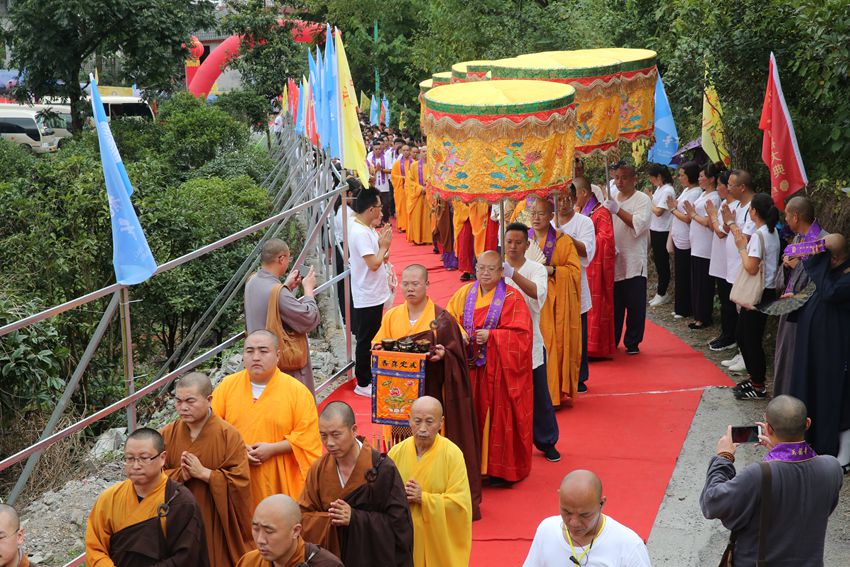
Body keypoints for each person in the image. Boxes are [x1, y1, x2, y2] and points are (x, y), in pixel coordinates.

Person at [371, 264, 482, 519]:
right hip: (398, 398)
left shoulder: (440, 319)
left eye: (415, 284)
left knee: (428, 439)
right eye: (405, 284)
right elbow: (377, 345)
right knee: (400, 444)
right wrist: (378, 350)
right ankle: (399, 492)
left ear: (427, 285)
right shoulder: (392, 316)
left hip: (430, 393)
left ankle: (434, 492)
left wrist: (445, 356)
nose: (409, 288)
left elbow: (457, 352)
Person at [700, 395, 843, 565]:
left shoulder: (759, 474)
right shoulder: (832, 468)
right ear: (807, 423)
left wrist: (724, 457)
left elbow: (712, 503)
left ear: (768, 428)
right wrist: (781, 452)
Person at [446, 250, 534, 485]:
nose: (485, 273)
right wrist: (460, 333)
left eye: (491, 269)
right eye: (481, 268)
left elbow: (522, 337)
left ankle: (500, 470)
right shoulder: (465, 293)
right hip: (471, 370)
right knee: (471, 417)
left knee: (499, 418)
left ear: (501, 271)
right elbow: (448, 318)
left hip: (499, 373)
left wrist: (493, 336)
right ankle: (473, 466)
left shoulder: (513, 298)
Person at [212, 330, 322, 508]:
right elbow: (212, 427)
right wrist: (238, 448)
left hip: (278, 479)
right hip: (236, 475)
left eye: (263, 351)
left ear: (277, 356)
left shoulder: (297, 392)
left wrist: (273, 449)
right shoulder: (227, 386)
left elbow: (308, 437)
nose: (256, 357)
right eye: (250, 351)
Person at [299, 402, 414, 567]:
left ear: (354, 430)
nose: (329, 443)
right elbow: (303, 517)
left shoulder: (381, 468)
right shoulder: (318, 469)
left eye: (336, 435)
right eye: (323, 435)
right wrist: (329, 520)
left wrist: (355, 518)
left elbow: (400, 526)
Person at [160, 372, 254, 566]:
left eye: (190, 401)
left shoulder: (229, 436)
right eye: (178, 401)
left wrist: (206, 474)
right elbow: (152, 476)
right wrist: (180, 474)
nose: (183, 407)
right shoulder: (167, 434)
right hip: (177, 519)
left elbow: (241, 483)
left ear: (209, 400)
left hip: (215, 520)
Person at [85, 428, 210, 566]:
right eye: (130, 458)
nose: (136, 466)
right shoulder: (109, 498)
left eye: (144, 458)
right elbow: (95, 548)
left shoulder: (181, 502)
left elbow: (187, 558)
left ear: (162, 458)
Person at [388, 397, 473, 567]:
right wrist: (399, 497)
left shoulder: (452, 455)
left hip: (437, 544)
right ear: (409, 420)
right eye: (417, 421)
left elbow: (460, 506)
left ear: (441, 423)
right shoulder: (396, 453)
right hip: (404, 539)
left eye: (429, 422)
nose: (422, 429)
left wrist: (424, 498)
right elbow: (382, 496)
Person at [791, 233, 850, 469]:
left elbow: (829, 293)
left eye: (825, 257)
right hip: (815, 348)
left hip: (834, 350)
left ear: (834, 258)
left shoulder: (845, 277)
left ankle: (834, 449)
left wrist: (815, 261)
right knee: (809, 389)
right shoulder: (830, 272)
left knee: (831, 396)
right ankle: (808, 441)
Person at [504, 223, 560, 462]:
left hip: (530, 341)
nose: (513, 247)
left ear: (527, 245)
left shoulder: (536, 269)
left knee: (539, 395)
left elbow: (538, 294)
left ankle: (547, 441)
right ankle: (508, 444)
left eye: (518, 242)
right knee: (505, 396)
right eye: (509, 242)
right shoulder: (496, 267)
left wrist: (512, 275)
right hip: (503, 343)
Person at [523, 470, 651, 566]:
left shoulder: (629, 545)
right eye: (567, 512)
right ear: (559, 497)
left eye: (584, 515)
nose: (574, 523)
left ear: (601, 503)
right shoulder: (547, 530)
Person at [244, 239, 320, 395]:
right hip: (282, 366)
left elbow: (271, 305)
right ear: (281, 259)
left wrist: (285, 287)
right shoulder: (278, 293)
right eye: (288, 258)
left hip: (259, 361)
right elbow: (309, 319)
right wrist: (308, 290)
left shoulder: (252, 281)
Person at [528, 197, 582, 405]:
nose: (536, 218)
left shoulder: (562, 240)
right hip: (530, 298)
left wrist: (550, 270)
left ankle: (552, 395)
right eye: (533, 213)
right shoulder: (525, 239)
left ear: (551, 216)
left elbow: (574, 271)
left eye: (541, 214)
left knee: (551, 343)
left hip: (554, 303)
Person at [772, 196, 827, 395]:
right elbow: (782, 279)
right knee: (785, 357)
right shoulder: (797, 239)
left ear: (796, 216)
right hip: (790, 308)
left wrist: (800, 266)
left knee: (801, 361)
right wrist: (788, 267)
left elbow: (824, 283)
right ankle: (782, 401)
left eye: (787, 215)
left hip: (808, 313)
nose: (785, 219)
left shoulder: (823, 242)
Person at [729, 193, 780, 400]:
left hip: (759, 293)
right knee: (744, 335)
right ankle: (754, 379)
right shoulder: (772, 232)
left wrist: (741, 247)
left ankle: (758, 386)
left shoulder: (760, 235)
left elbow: (751, 267)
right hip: (766, 290)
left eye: (750, 209)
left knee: (750, 339)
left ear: (754, 212)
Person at [602, 164, 652, 355]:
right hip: (614, 258)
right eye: (617, 178)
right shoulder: (612, 198)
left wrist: (617, 210)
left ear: (634, 179)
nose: (619, 182)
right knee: (615, 305)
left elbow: (638, 224)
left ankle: (632, 341)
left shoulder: (642, 199)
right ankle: (612, 339)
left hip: (634, 259)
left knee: (635, 304)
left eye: (624, 178)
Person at [349, 186, 393, 397]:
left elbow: (379, 258)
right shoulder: (360, 233)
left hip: (374, 292)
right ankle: (363, 381)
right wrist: (383, 246)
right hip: (367, 294)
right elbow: (373, 264)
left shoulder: (366, 228)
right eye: (379, 207)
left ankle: (370, 374)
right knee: (365, 339)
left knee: (373, 335)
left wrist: (383, 247)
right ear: (370, 209)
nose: (381, 212)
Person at [558, 186, 597, 391]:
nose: (563, 203)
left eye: (568, 199)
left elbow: (587, 252)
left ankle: (579, 377)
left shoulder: (584, 222)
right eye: (560, 199)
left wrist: (565, 237)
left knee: (577, 334)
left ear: (575, 199)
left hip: (575, 285)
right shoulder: (547, 220)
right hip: (553, 284)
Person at [236, 494, 342, 567]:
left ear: (295, 531)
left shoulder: (326, 564)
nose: (260, 540)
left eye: (269, 531)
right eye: (255, 529)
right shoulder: (248, 562)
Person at [719, 170, 757, 372]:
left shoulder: (753, 207)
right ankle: (742, 351)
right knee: (737, 310)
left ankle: (747, 355)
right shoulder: (737, 206)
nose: (728, 188)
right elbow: (728, 231)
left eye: (731, 185)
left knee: (746, 313)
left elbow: (746, 238)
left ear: (742, 187)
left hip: (746, 267)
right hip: (734, 265)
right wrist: (728, 222)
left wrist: (731, 223)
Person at [575, 178, 616, 358]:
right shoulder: (583, 212)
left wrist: (586, 243)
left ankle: (596, 348)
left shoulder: (601, 212)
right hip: (585, 267)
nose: (572, 199)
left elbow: (606, 240)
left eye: (574, 194)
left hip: (595, 269)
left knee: (596, 307)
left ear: (584, 192)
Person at [683, 162, 723, 329]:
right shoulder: (703, 194)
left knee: (703, 282)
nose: (699, 179)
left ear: (711, 179)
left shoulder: (714, 197)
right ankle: (698, 314)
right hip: (697, 243)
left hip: (705, 244)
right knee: (697, 280)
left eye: (702, 176)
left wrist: (692, 214)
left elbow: (708, 221)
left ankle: (703, 317)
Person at [704, 171, 738, 352]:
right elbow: (714, 227)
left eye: (720, 185)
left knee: (729, 301)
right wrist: (712, 215)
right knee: (724, 299)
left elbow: (720, 231)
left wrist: (713, 216)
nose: (717, 188)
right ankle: (725, 333)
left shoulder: (735, 207)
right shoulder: (724, 204)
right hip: (719, 257)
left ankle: (731, 336)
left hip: (729, 261)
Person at [667, 161, 702, 320]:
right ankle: (680, 306)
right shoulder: (687, 190)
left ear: (690, 176)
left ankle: (685, 308)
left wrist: (673, 209)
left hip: (686, 237)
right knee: (680, 273)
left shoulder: (695, 193)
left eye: (682, 175)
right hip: (678, 235)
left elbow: (688, 217)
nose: (679, 177)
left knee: (685, 273)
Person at [644, 163, 675, 307]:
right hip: (655, 228)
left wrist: (648, 199)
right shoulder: (659, 188)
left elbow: (658, 211)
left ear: (659, 176)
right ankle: (660, 291)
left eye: (652, 177)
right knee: (658, 261)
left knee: (662, 262)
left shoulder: (668, 190)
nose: (650, 180)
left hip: (663, 230)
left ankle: (662, 292)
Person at [405, 146, 432, 246]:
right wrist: (420, 188)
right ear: (420, 153)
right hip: (418, 196)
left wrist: (428, 188)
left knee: (429, 218)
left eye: (427, 151)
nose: (425, 153)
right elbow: (409, 181)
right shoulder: (414, 166)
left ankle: (430, 238)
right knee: (417, 217)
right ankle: (417, 238)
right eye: (423, 151)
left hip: (430, 196)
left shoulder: (434, 165)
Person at [391, 144, 412, 232]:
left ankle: (411, 226)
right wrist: (402, 178)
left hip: (412, 190)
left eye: (407, 150)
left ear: (410, 151)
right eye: (404, 150)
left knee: (410, 207)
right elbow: (393, 177)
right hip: (401, 189)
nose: (406, 152)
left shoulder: (414, 163)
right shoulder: (397, 163)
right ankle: (402, 226)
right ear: (401, 152)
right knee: (401, 208)